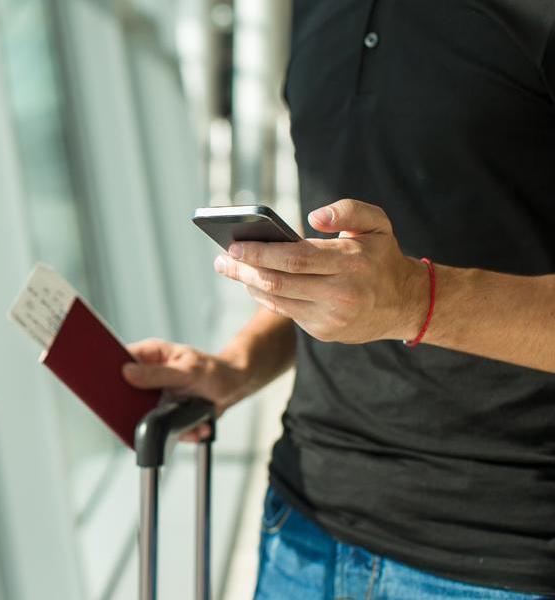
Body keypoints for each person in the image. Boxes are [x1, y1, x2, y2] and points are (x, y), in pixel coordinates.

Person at [123, 2, 555, 598]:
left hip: (498, 554)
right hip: (301, 527)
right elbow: (353, 274)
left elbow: (389, 291)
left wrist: (413, 299)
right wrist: (237, 367)